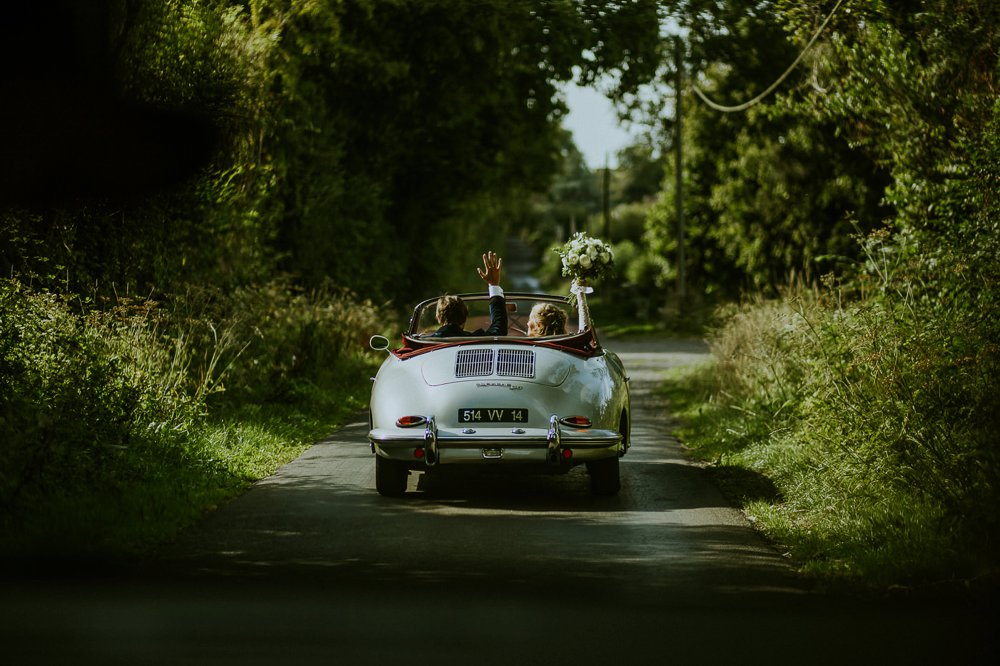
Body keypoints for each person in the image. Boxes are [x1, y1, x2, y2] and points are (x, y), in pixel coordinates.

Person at [428, 251, 507, 337]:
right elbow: (499, 329)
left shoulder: (424, 343)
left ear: (439, 318)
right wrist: (493, 284)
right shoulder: (476, 340)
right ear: (464, 318)